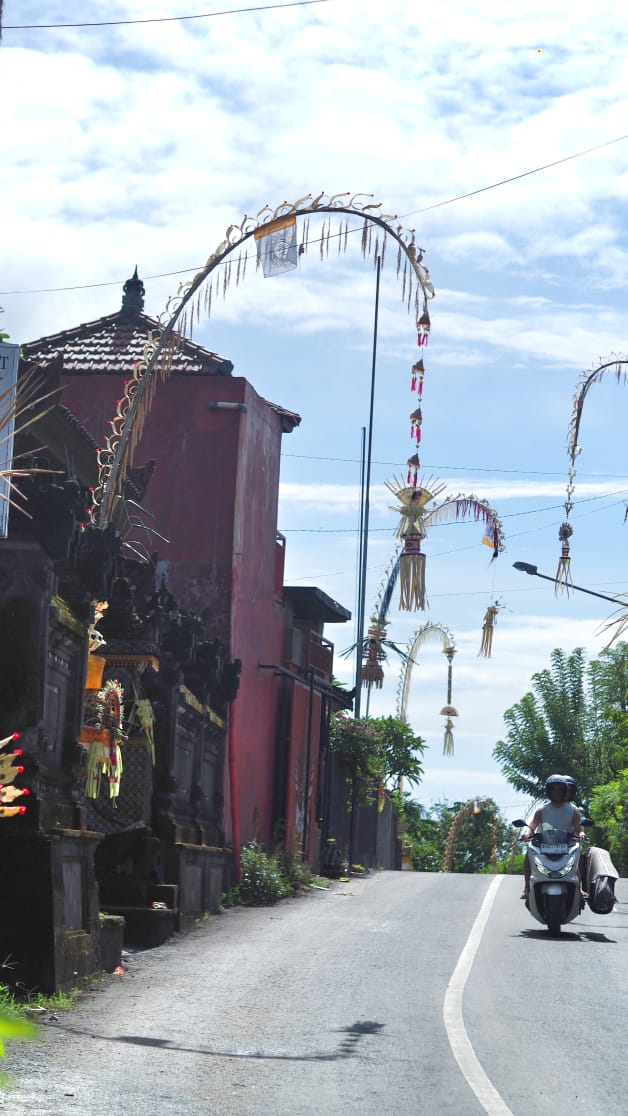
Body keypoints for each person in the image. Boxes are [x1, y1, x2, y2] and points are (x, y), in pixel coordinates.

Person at [520, 774, 585, 900]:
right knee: (529, 855)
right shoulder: (541, 810)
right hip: (544, 844)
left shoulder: (573, 811)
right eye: (553, 790)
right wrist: (527, 833)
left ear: (564, 791)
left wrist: (581, 834)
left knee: (578, 857)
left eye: (560, 790)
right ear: (548, 791)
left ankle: (579, 888)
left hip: (567, 845)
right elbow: (532, 826)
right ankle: (527, 887)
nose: (556, 793)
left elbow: (578, 828)